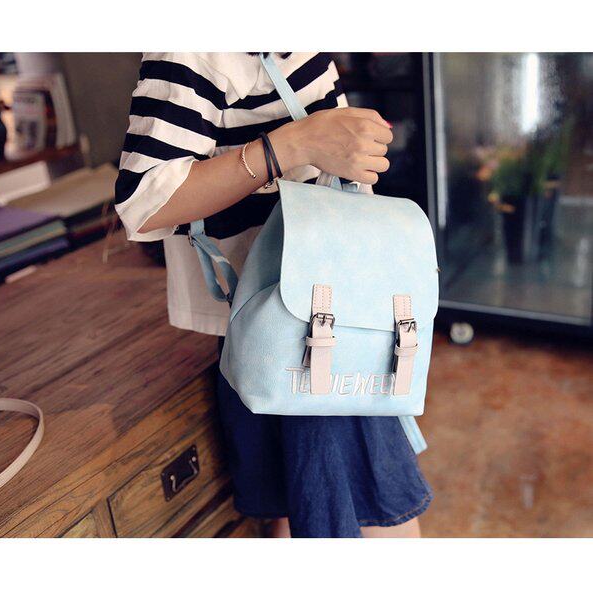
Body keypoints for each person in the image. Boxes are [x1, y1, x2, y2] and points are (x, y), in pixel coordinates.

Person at [115, 52, 432, 538]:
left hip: (335, 310)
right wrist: (296, 144)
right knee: (371, 524)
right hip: (285, 325)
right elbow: (144, 202)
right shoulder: (195, 48)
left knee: (304, 513)